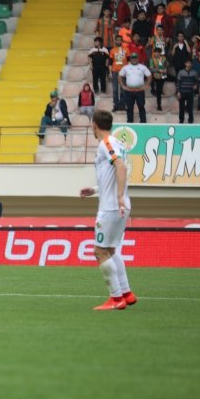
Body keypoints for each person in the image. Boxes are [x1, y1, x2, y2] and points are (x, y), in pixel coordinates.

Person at [79, 110, 137, 311]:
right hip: (116, 204)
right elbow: (112, 174)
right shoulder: (115, 143)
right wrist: (94, 190)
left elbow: (120, 166)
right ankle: (126, 293)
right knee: (110, 250)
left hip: (112, 206)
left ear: (95, 124)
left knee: (99, 251)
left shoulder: (107, 143)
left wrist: (119, 196)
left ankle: (115, 298)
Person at [118, 52, 152, 123]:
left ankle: (143, 122)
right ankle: (130, 122)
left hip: (139, 90)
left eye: (135, 58)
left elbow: (149, 76)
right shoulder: (126, 67)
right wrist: (123, 86)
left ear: (138, 58)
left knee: (141, 106)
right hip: (129, 90)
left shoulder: (143, 67)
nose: (134, 59)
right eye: (132, 58)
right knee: (129, 107)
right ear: (130, 59)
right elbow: (119, 76)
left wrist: (146, 85)